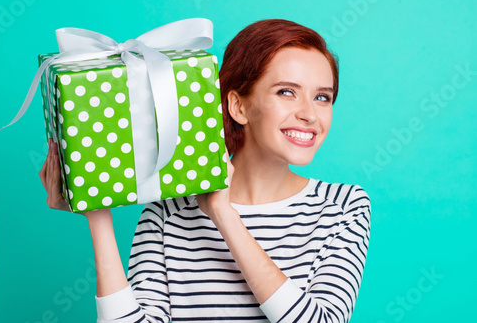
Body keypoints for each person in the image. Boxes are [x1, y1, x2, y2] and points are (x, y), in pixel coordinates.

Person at [40, 19, 371, 323]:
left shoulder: (343, 207)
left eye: (323, 97)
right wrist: (95, 211)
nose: (310, 115)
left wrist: (223, 214)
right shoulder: (167, 212)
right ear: (238, 106)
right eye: (287, 92)